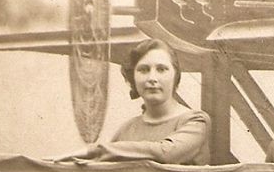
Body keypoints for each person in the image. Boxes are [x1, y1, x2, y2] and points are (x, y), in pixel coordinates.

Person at [53, 39, 211, 165]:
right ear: (133, 77)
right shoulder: (126, 130)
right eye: (143, 70)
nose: (152, 78)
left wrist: (95, 151)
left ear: (175, 75)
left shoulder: (195, 121)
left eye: (161, 69)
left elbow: (167, 153)